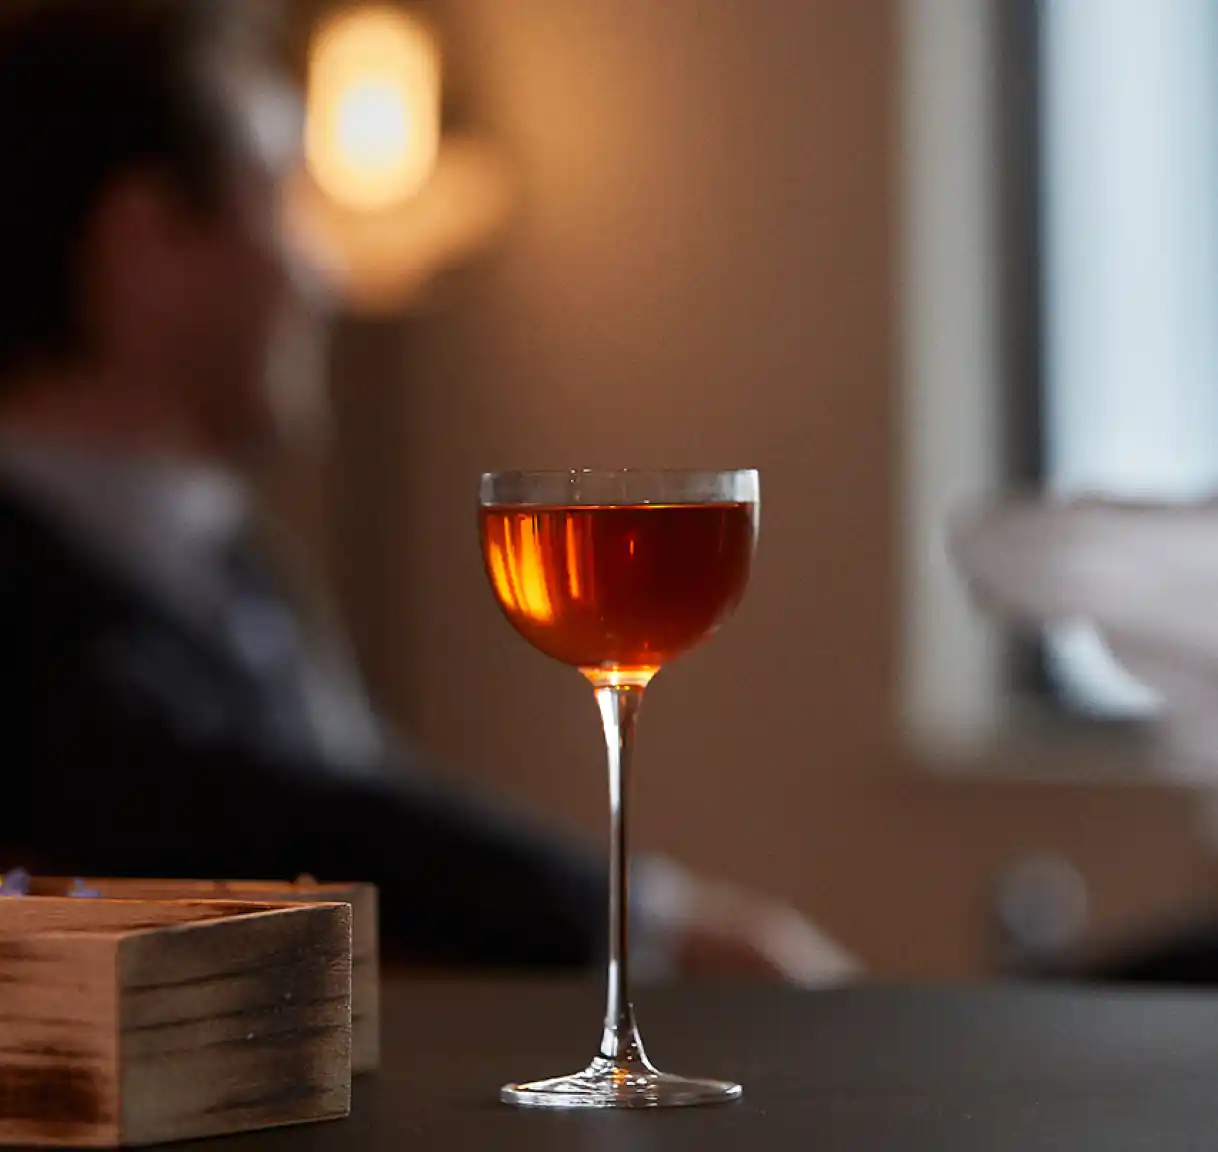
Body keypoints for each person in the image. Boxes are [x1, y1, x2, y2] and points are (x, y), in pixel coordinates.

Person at [0, 0, 855, 982]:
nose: (325, 271)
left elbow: (346, 797)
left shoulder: (220, 558)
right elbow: (232, 811)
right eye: (285, 200)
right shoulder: (29, 611)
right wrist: (651, 927)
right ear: (145, 244)